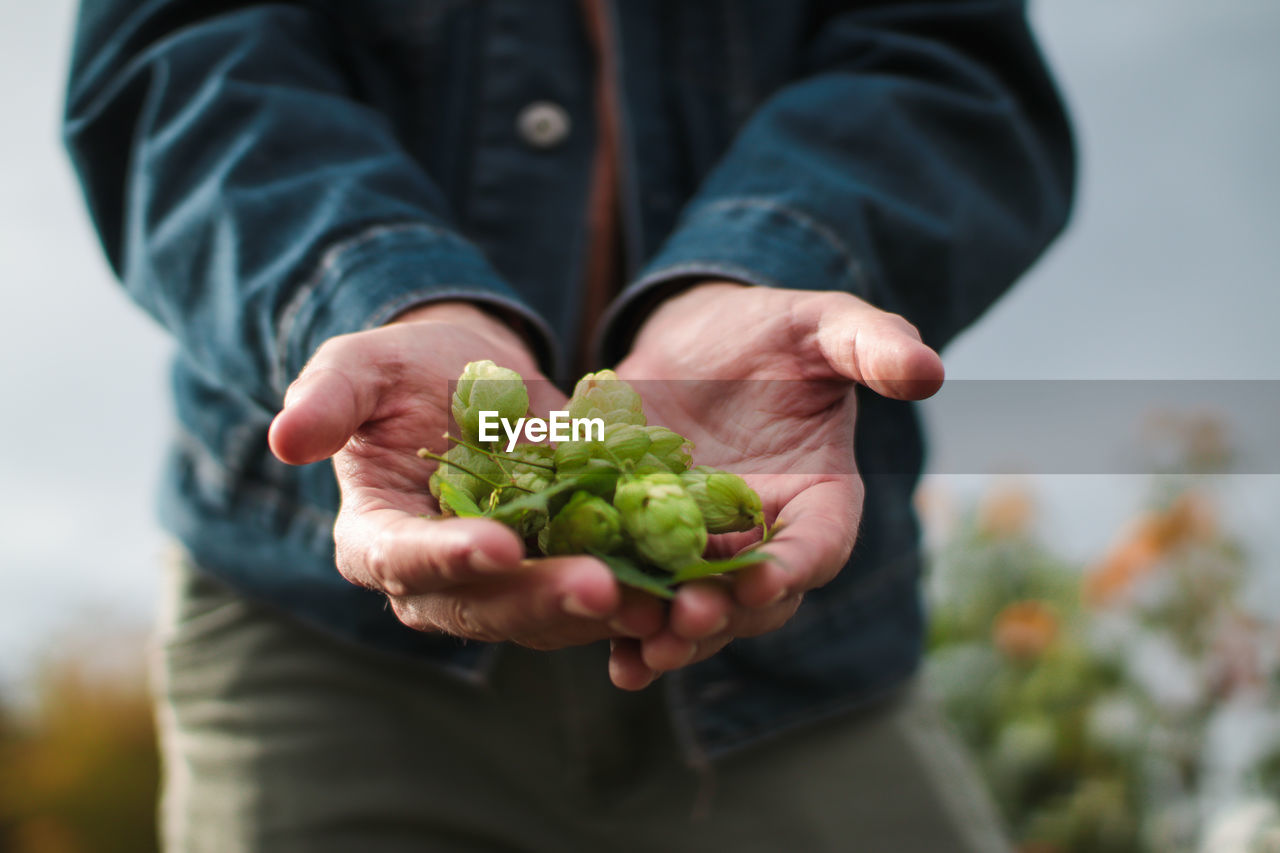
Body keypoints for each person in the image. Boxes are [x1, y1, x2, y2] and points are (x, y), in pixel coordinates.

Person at [64, 1, 1074, 850]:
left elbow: (944, 56)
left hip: (800, 652)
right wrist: (379, 296)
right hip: (316, 627)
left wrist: (772, 259)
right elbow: (182, 57)